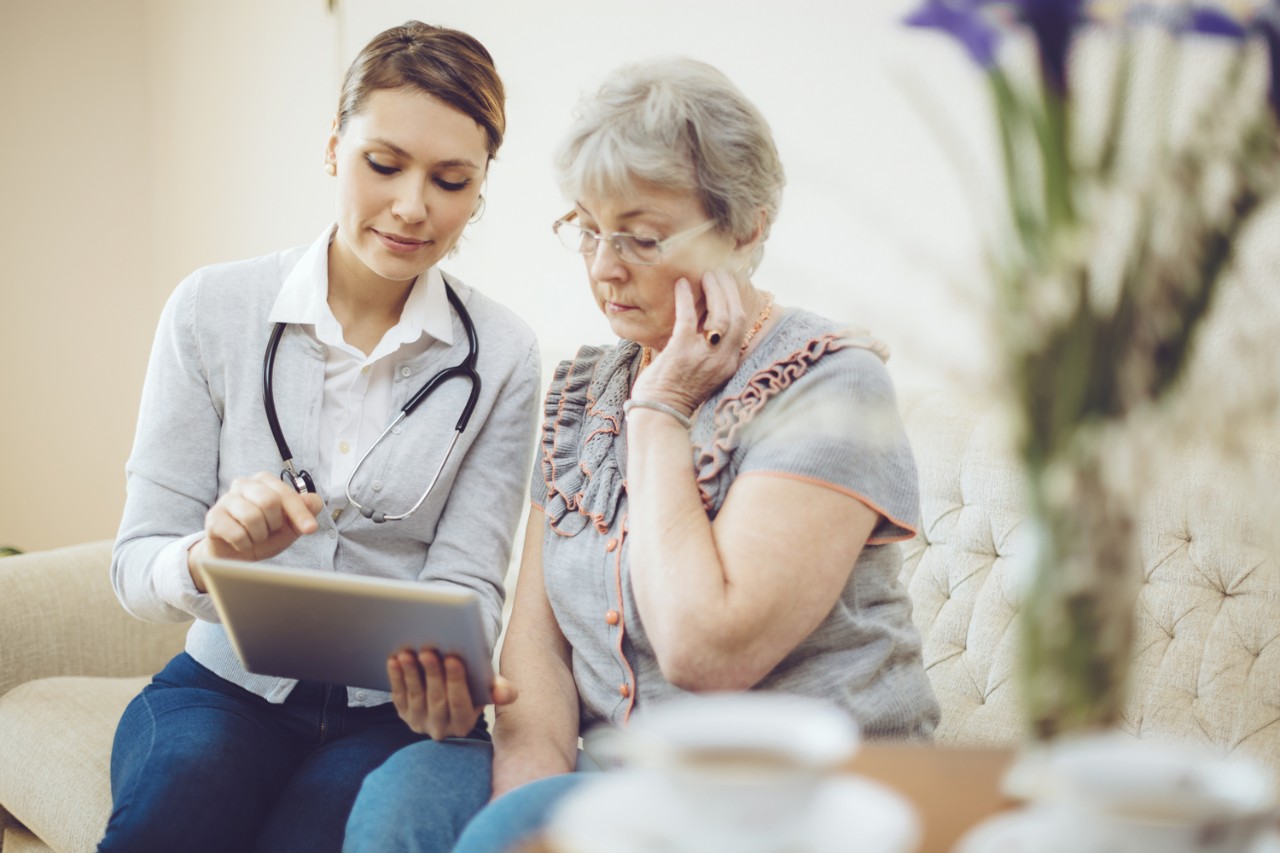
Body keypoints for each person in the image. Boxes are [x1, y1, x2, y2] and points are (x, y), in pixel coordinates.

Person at [344, 56, 939, 852]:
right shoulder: (583, 389)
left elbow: (706, 649)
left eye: (642, 238)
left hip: (793, 796)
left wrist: (661, 409)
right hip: (614, 778)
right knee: (403, 795)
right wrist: (532, 805)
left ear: (747, 227)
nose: (603, 266)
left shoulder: (832, 385)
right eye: (587, 229)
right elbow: (539, 657)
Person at [100, 22, 540, 853]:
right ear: (335, 149)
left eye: (451, 181)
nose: (414, 207)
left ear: (480, 192)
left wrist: (452, 678)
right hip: (220, 688)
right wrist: (208, 556)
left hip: (388, 720)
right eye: (385, 165)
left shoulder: (505, 354)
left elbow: (471, 587)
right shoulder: (209, 310)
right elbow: (134, 564)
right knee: (174, 809)